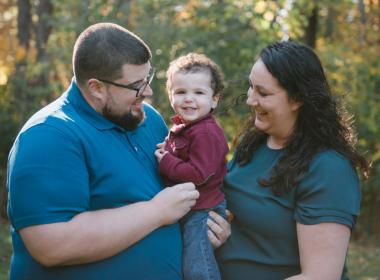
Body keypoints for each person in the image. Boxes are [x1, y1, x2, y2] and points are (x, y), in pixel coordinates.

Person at [6, 22, 204, 280]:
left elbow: (177, 194)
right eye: (136, 85)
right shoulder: (49, 136)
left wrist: (203, 227)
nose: (148, 91)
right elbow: (51, 244)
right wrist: (155, 211)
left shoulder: (148, 119)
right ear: (96, 87)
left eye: (148, 78)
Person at [213, 41, 370, 279]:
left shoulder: (328, 168)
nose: (249, 100)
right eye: (251, 87)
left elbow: (319, 276)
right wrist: (222, 229)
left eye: (263, 93)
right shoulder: (253, 144)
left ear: (298, 99)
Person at [155, 53, 229, 280]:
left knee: (198, 267)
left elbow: (198, 174)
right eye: (180, 92)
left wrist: (166, 160)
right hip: (192, 207)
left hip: (203, 212)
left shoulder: (206, 132)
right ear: (170, 96)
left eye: (199, 93)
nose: (189, 99)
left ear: (214, 99)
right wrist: (168, 149)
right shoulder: (187, 126)